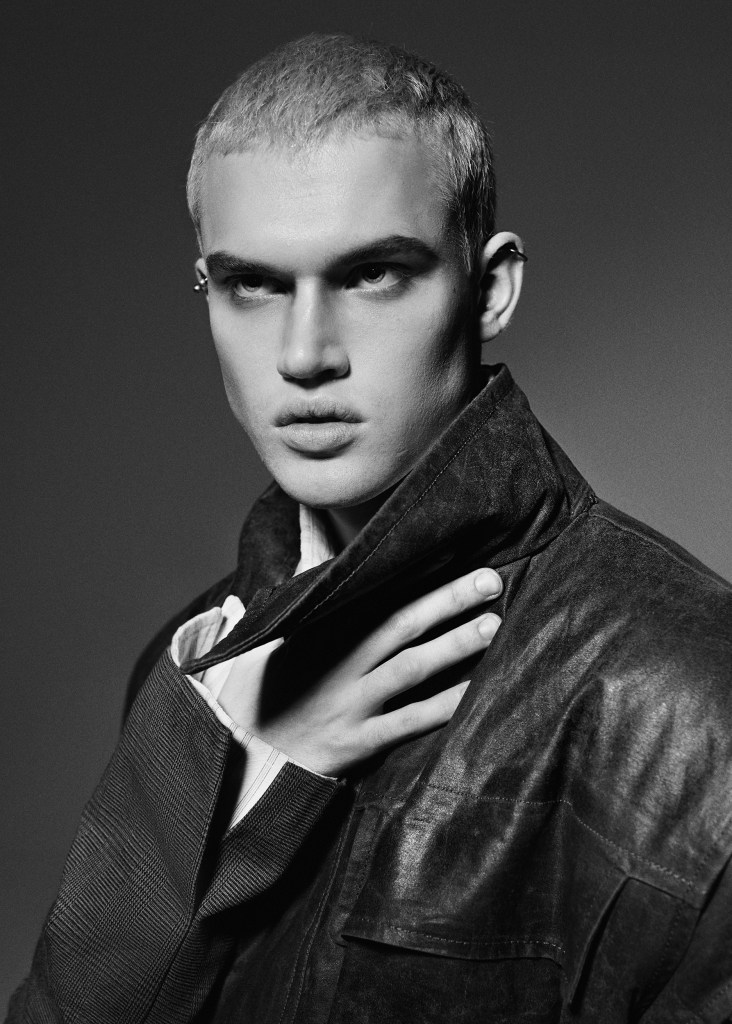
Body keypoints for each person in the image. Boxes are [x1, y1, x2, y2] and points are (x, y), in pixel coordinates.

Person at [7, 32, 732, 1024]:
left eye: (373, 274)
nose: (305, 354)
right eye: (252, 283)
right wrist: (233, 770)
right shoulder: (197, 685)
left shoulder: (684, 704)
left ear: (490, 288)